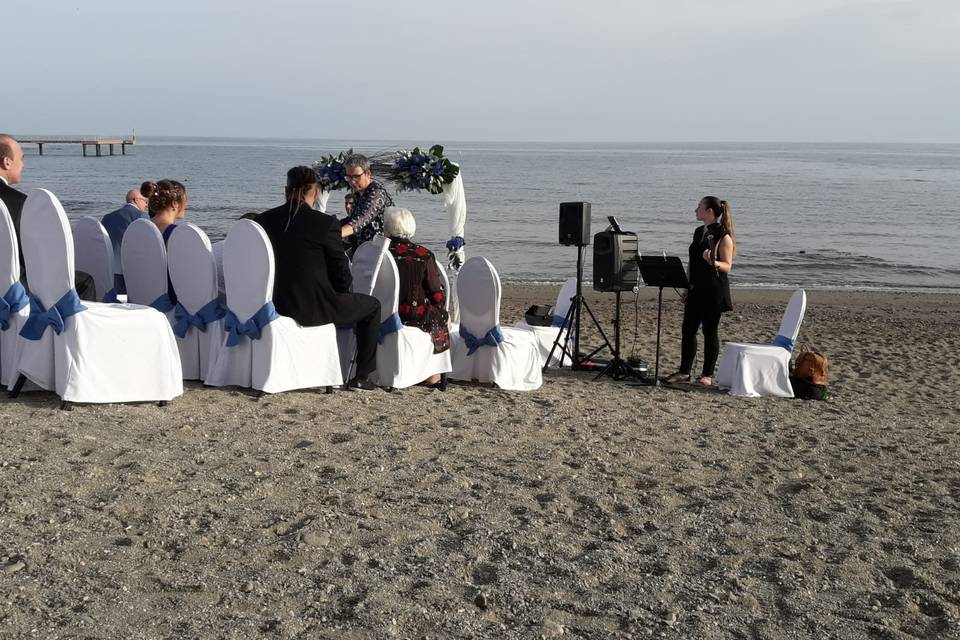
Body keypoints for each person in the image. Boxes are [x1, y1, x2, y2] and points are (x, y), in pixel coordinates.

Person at [256, 166, 381, 391]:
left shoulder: (264, 220)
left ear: (286, 190)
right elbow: (340, 271)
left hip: (273, 304)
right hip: (313, 308)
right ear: (314, 192)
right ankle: (362, 377)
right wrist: (342, 294)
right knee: (371, 306)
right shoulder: (325, 224)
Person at [0, 134, 97, 301]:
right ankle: (72, 327)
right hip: (14, 287)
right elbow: (37, 254)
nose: (23, 164)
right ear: (7, 162)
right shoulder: (19, 203)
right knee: (85, 281)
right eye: (21, 158)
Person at [665, 196, 736, 386]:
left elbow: (727, 266)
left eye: (699, 207)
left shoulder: (723, 235)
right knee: (688, 329)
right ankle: (684, 371)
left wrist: (712, 262)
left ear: (709, 211)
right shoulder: (698, 232)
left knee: (709, 331)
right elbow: (692, 261)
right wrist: (687, 286)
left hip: (713, 290)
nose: (695, 210)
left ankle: (707, 375)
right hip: (696, 288)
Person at [383, 207, 451, 388]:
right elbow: (436, 293)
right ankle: (433, 375)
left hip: (379, 309)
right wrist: (441, 307)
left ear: (386, 229)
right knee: (439, 315)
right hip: (409, 313)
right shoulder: (423, 255)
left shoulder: (376, 251)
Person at [101, 183, 151, 294]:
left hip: (108, 267)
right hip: (128, 270)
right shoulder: (141, 217)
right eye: (145, 201)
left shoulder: (108, 217)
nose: (146, 205)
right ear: (135, 200)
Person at [340, 153, 393, 257]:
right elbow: (351, 218)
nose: (352, 182)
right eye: (349, 177)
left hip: (376, 254)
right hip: (361, 250)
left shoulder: (377, 193)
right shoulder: (357, 193)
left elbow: (361, 220)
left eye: (356, 177)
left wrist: (335, 234)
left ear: (368, 174)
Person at [147, 179, 188, 305]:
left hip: (143, 296)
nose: (187, 205)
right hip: (169, 302)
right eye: (185, 200)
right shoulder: (175, 233)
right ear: (175, 204)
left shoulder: (139, 228)